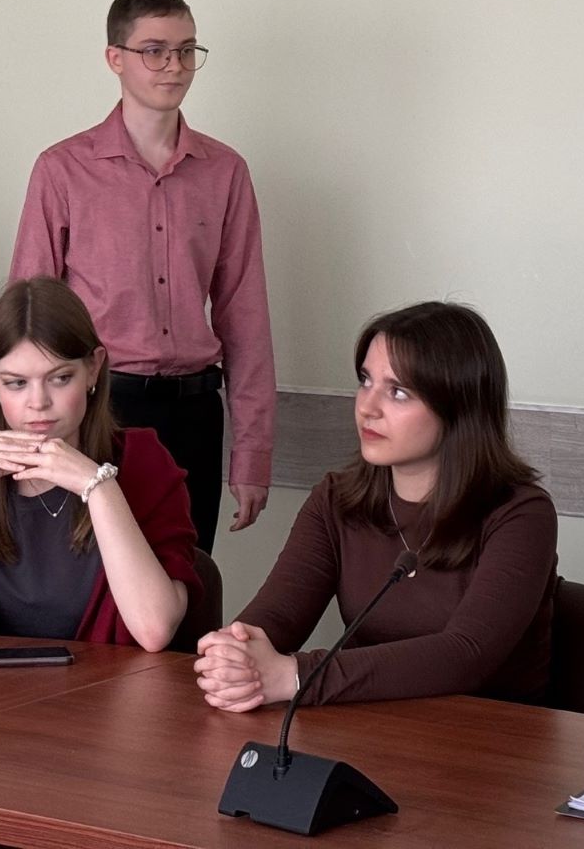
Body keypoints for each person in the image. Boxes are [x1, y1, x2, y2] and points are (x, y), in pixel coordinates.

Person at [10, 0, 274, 553]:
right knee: (93, 581)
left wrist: (252, 453)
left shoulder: (225, 172)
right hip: (98, 409)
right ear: (116, 58)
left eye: (186, 50)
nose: (174, 66)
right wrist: (26, 443)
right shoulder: (63, 170)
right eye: (155, 50)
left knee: (185, 580)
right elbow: (27, 320)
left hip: (195, 413)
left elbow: (245, 317)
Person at [194, 302, 556, 709]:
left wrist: (296, 676)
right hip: (374, 727)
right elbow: (277, 618)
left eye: (398, 391)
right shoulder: (336, 500)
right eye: (366, 381)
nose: (367, 407)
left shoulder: (521, 513)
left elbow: (467, 653)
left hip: (492, 734)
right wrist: (235, 653)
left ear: (458, 405)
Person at [0, 278, 201, 652]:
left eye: (60, 378)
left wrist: (98, 486)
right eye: (16, 383)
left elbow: (154, 630)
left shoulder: (144, 462)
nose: (38, 402)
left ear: (93, 368)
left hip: (105, 689)